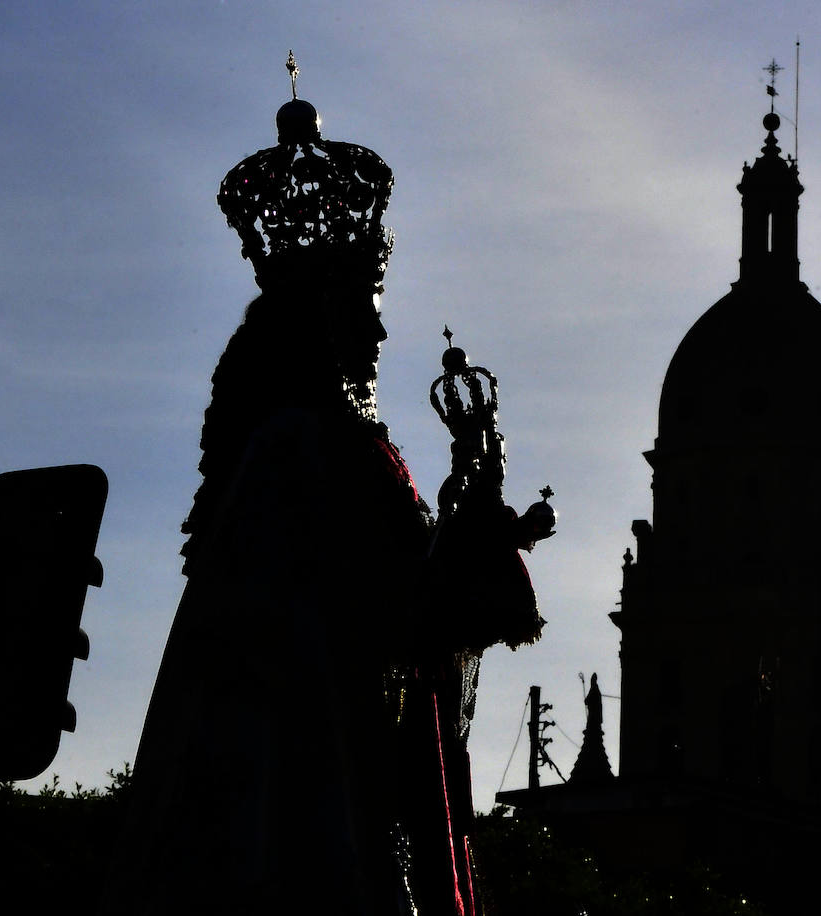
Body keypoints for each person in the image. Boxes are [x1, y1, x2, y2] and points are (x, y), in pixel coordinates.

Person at [102, 84, 542, 915]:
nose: (378, 336)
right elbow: (409, 616)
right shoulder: (319, 448)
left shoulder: (292, 450)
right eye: (365, 313)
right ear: (323, 318)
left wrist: (474, 511)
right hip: (324, 782)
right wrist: (480, 509)